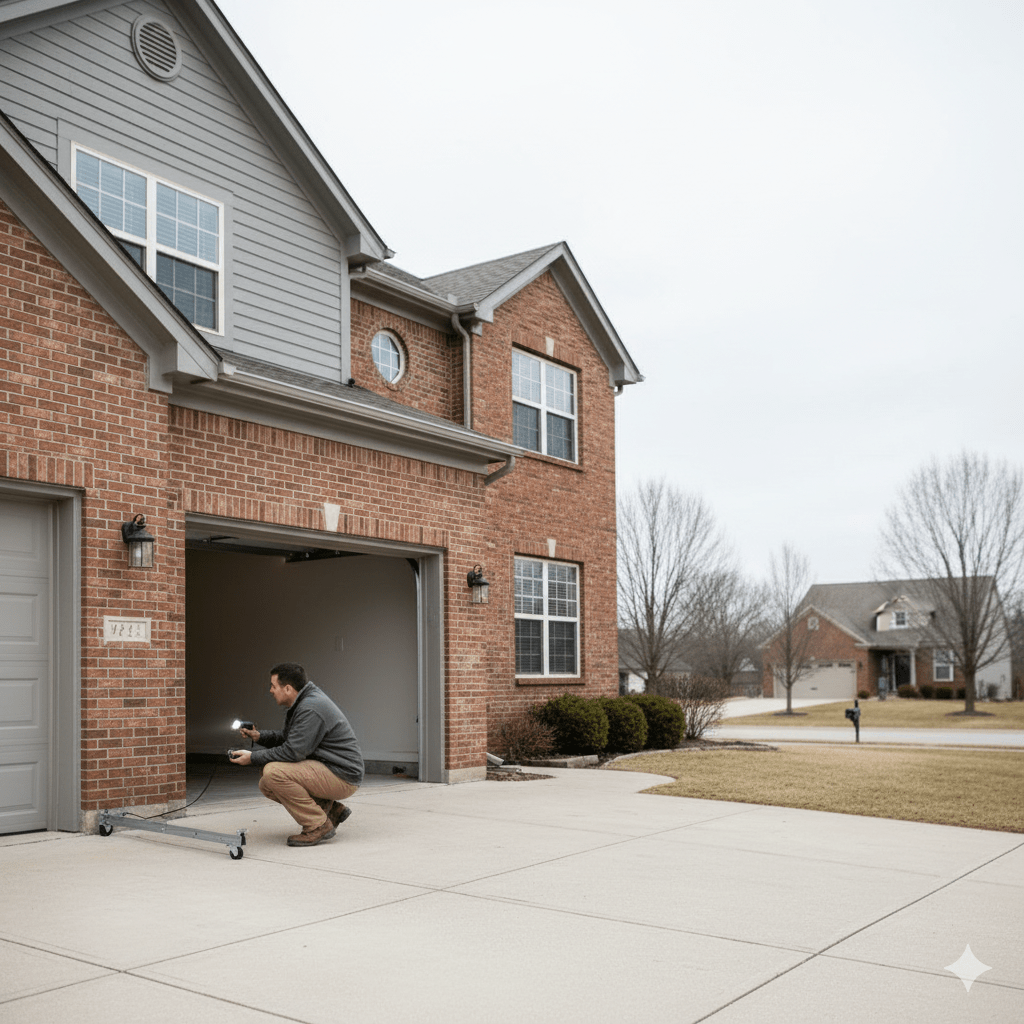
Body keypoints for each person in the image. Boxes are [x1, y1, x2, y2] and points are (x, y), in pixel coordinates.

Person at [229, 662, 364, 847]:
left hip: (343, 775)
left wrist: (252, 757)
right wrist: (259, 736)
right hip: (330, 768)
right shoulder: (302, 702)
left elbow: (293, 752)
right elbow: (288, 739)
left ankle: (318, 825)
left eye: (273, 686)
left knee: (273, 772)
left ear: (287, 688)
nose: (270, 690)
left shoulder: (310, 708)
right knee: (266, 783)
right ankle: (331, 810)